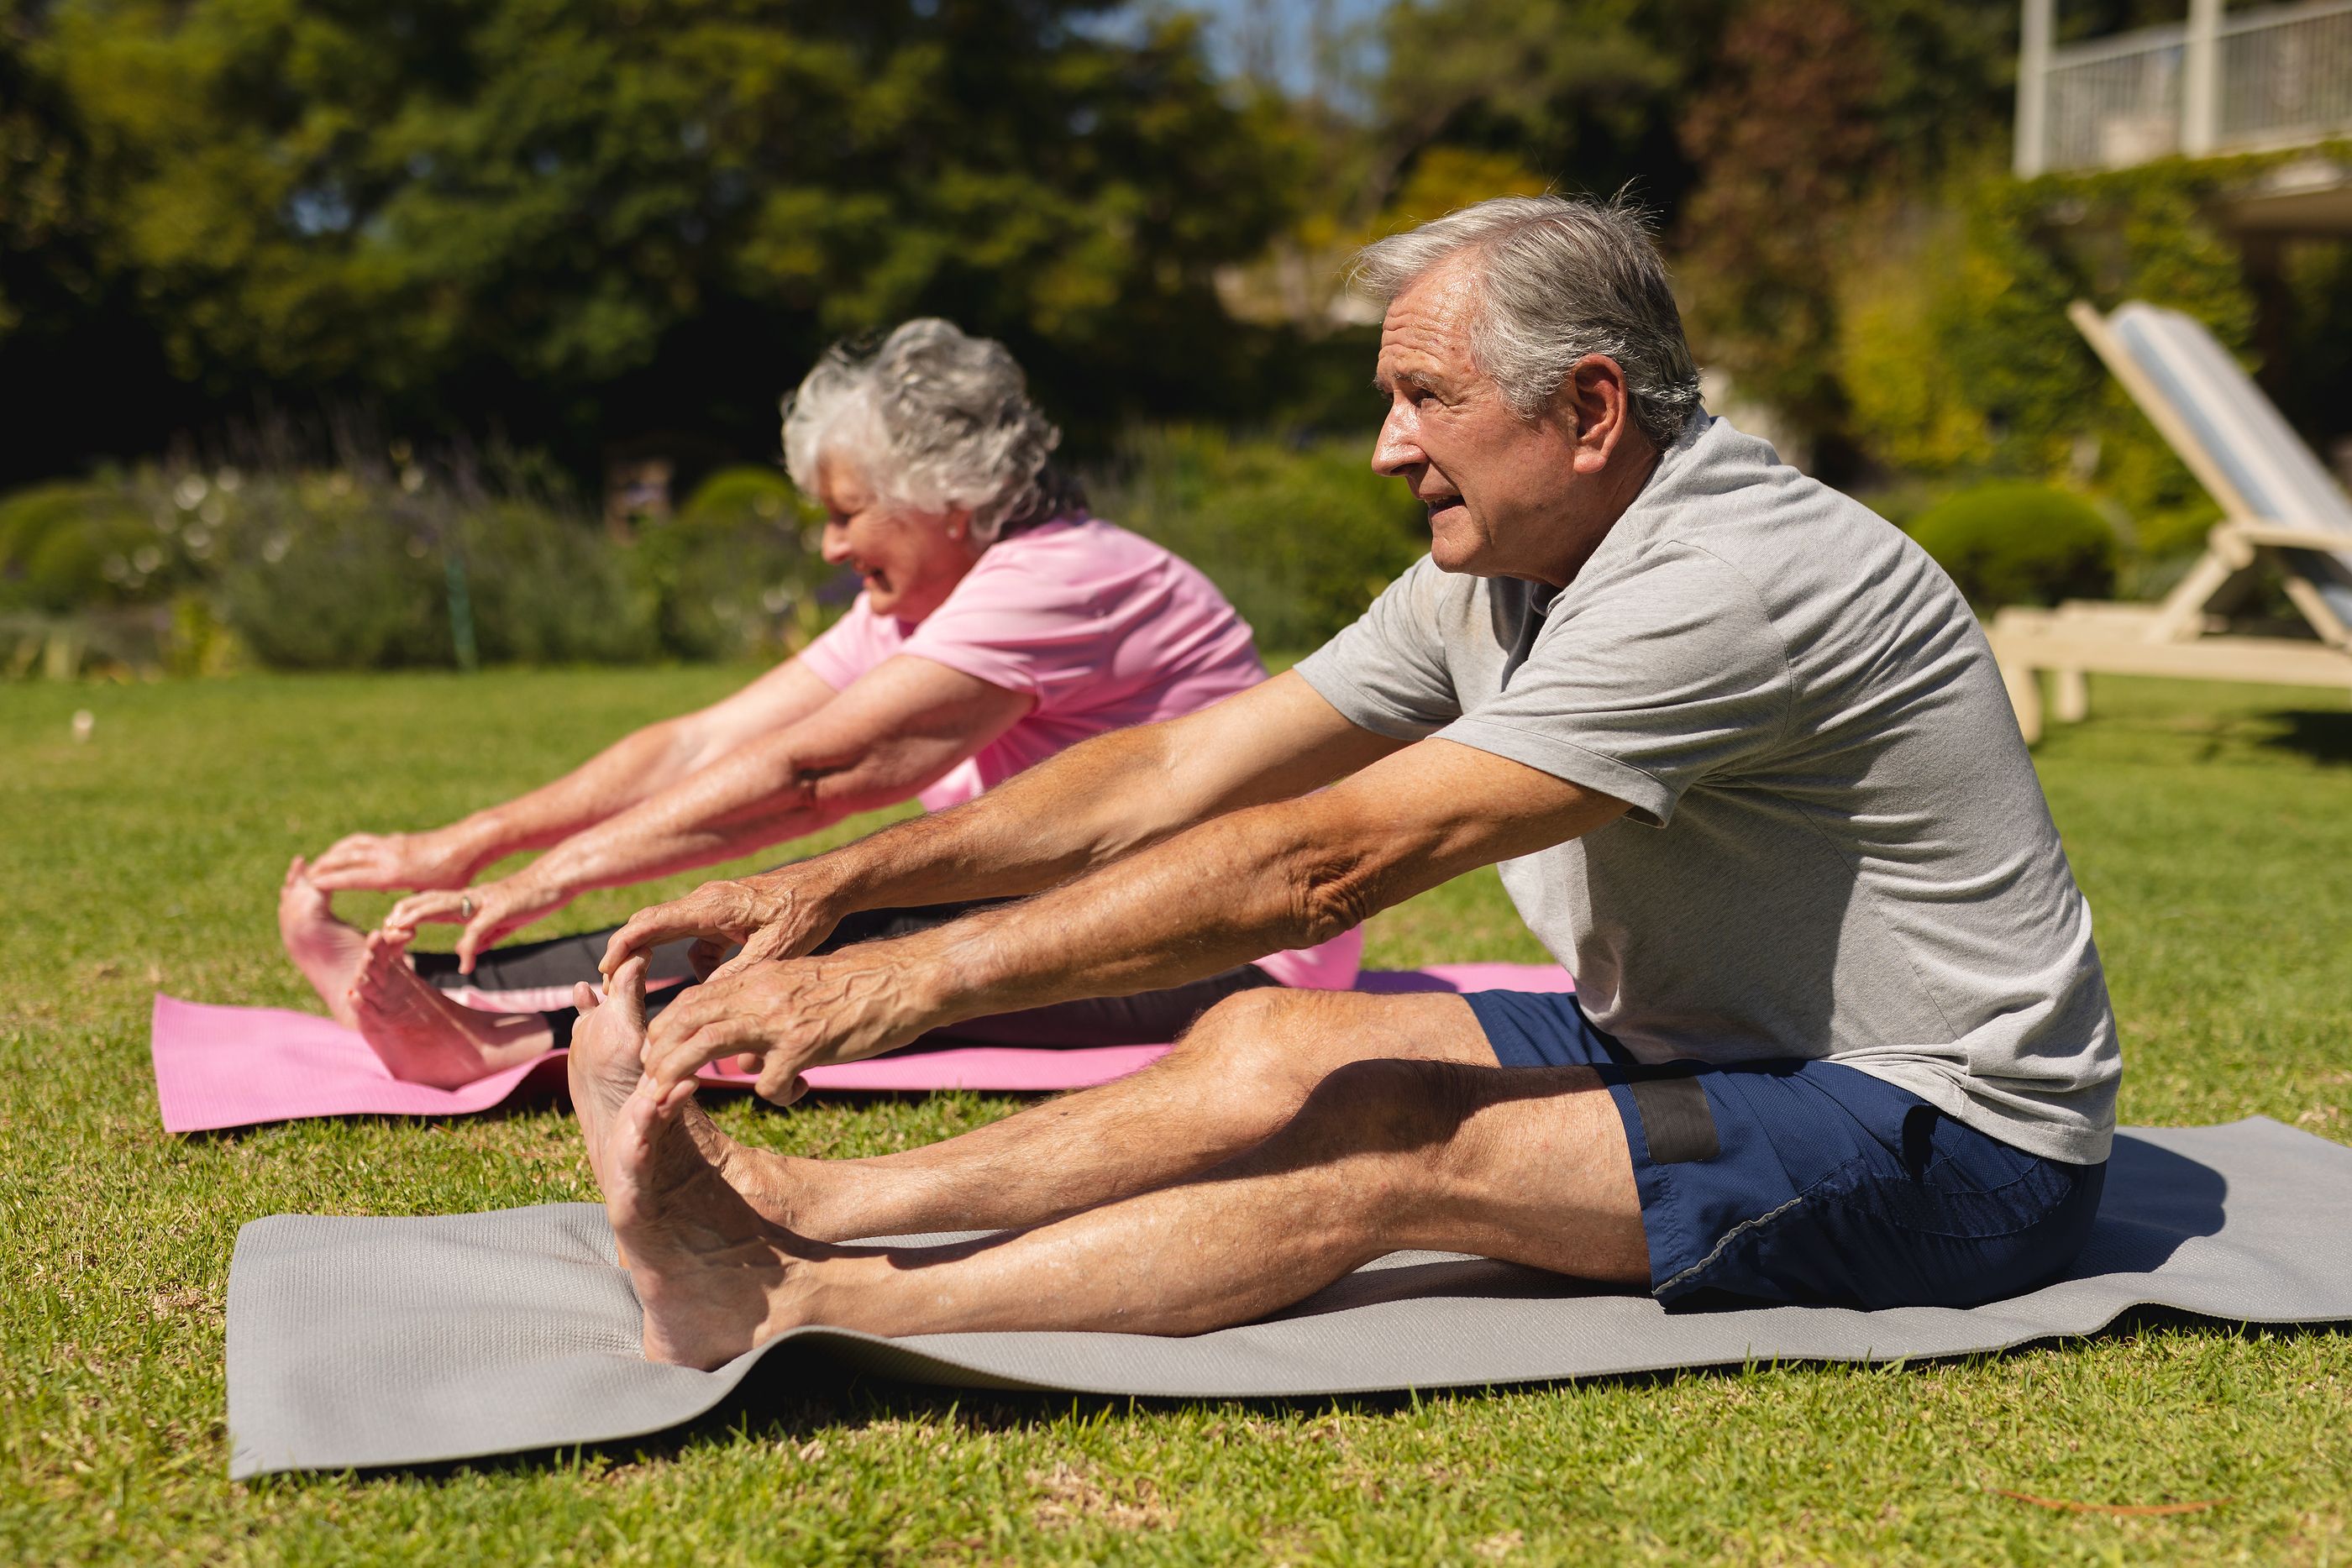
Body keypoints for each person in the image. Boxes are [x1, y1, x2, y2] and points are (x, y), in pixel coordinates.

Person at [561, 194, 2122, 1369]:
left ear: (1587, 410)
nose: (1386, 448)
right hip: (1689, 1029)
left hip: (1939, 1127)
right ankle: (820, 1203)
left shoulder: (1728, 580)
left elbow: (1316, 869)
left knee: (1384, 1131)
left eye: (1425, 400)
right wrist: (835, 888)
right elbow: (1178, 768)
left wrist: (900, 992)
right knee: (1261, 1036)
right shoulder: (1498, 565)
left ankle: (798, 1300)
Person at [276, 318, 1361, 1087]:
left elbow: (816, 780)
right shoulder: (925, 596)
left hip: (1222, 951)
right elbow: (706, 741)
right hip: (1066, 910)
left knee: (840, 922)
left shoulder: (1066, 578)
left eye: (848, 513)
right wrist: (472, 845)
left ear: (950, 497)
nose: (830, 545)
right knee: (827, 910)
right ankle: (442, 991)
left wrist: (551, 876)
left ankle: (499, 1036)